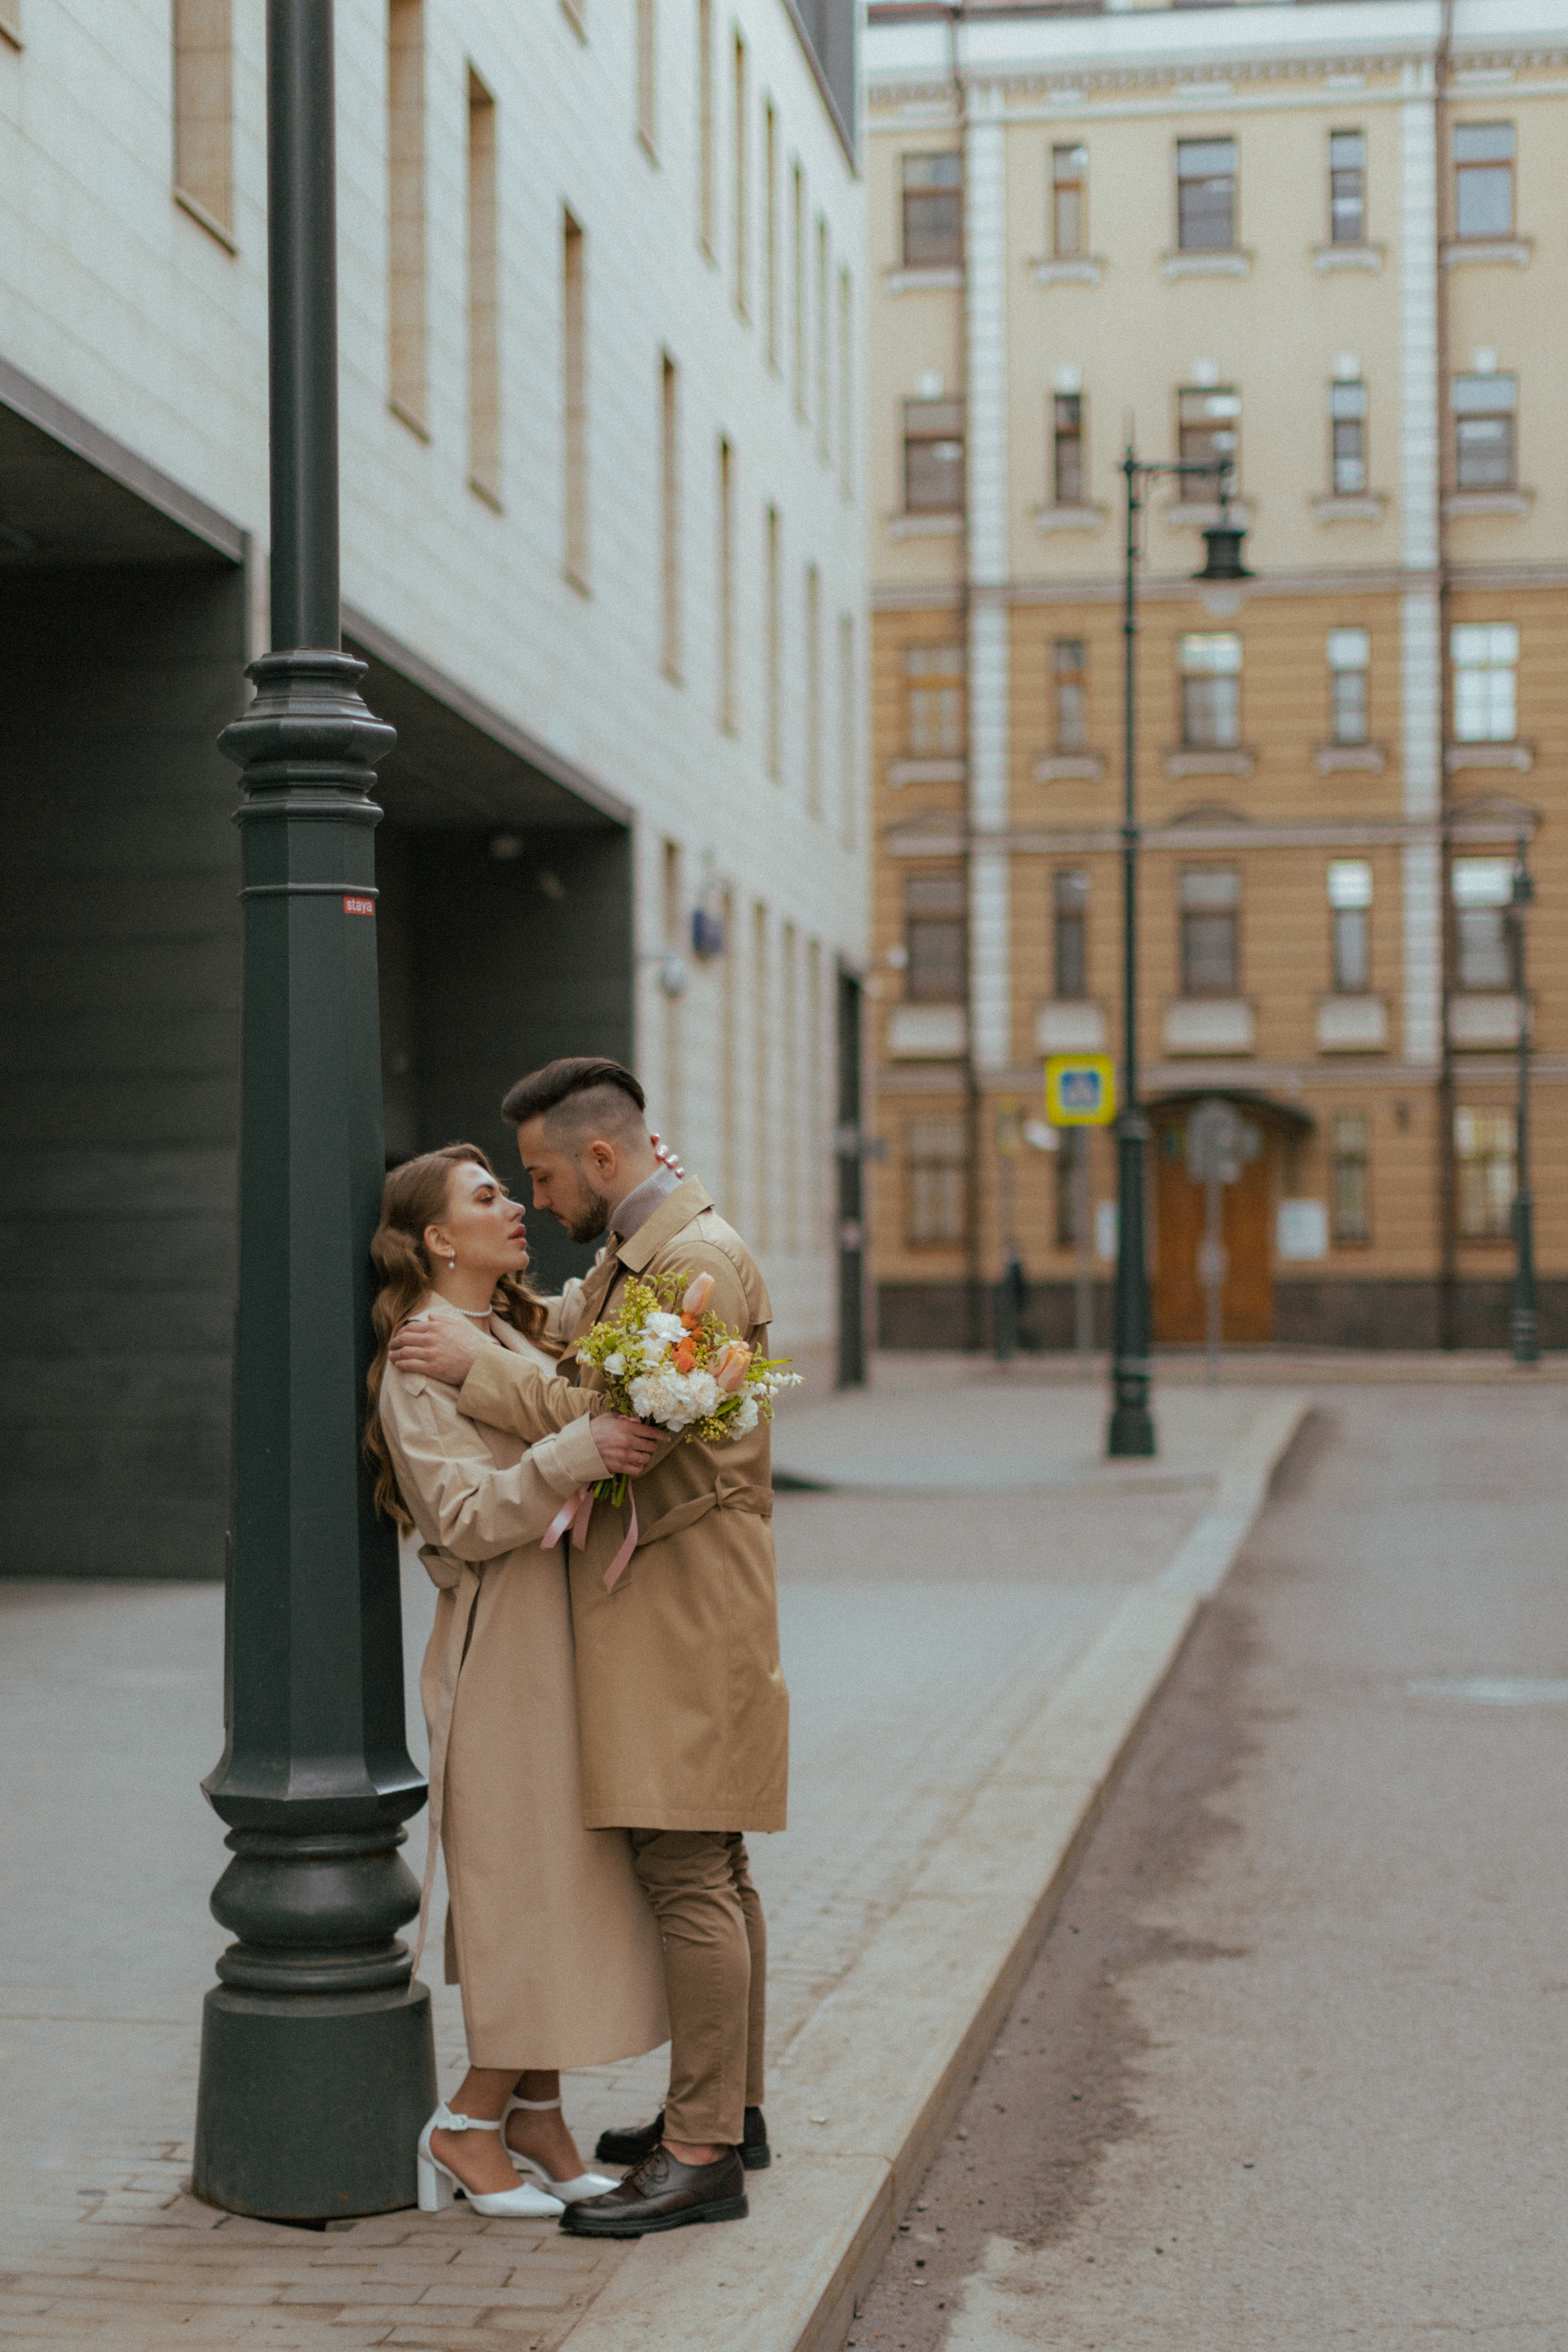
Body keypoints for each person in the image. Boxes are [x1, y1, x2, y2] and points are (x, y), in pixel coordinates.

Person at [389, 1060, 788, 2237]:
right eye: (509, 1184)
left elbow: (627, 1430)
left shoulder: (689, 1264)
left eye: (543, 1172)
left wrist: (481, 1367)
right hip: (663, 1604)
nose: (533, 1195)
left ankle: (703, 2146)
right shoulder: (640, 1259)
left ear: (603, 1161)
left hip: (683, 1605)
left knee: (691, 1870)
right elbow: (585, 1375)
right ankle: (726, 2113)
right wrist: (487, 1346)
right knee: (709, 1864)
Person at [366, 1142, 669, 2219]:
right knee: (523, 1887)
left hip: (573, 1638)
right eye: (486, 1197)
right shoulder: (416, 1356)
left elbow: (609, 1304)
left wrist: (650, 1189)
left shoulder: (520, 1326)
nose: (513, 1210)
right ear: (437, 1237)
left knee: (570, 1879)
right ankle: (465, 2125)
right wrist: (576, 1451)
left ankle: (536, 2118)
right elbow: (460, 1517)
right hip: (505, 1651)